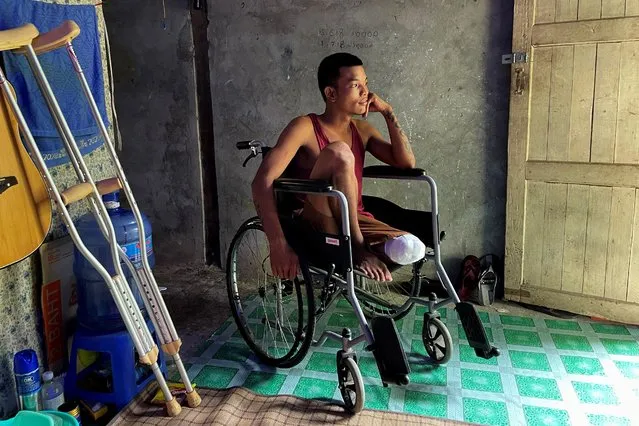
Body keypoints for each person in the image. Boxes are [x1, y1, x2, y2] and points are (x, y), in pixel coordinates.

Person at [251, 52, 425, 283]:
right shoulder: (304, 127)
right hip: (314, 222)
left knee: (411, 248)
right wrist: (277, 243)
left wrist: (387, 111)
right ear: (331, 93)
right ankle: (359, 250)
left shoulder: (362, 131)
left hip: (353, 217)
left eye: (366, 84)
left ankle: (365, 250)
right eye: (356, 85)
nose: (366, 93)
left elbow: (406, 162)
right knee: (339, 151)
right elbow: (261, 181)